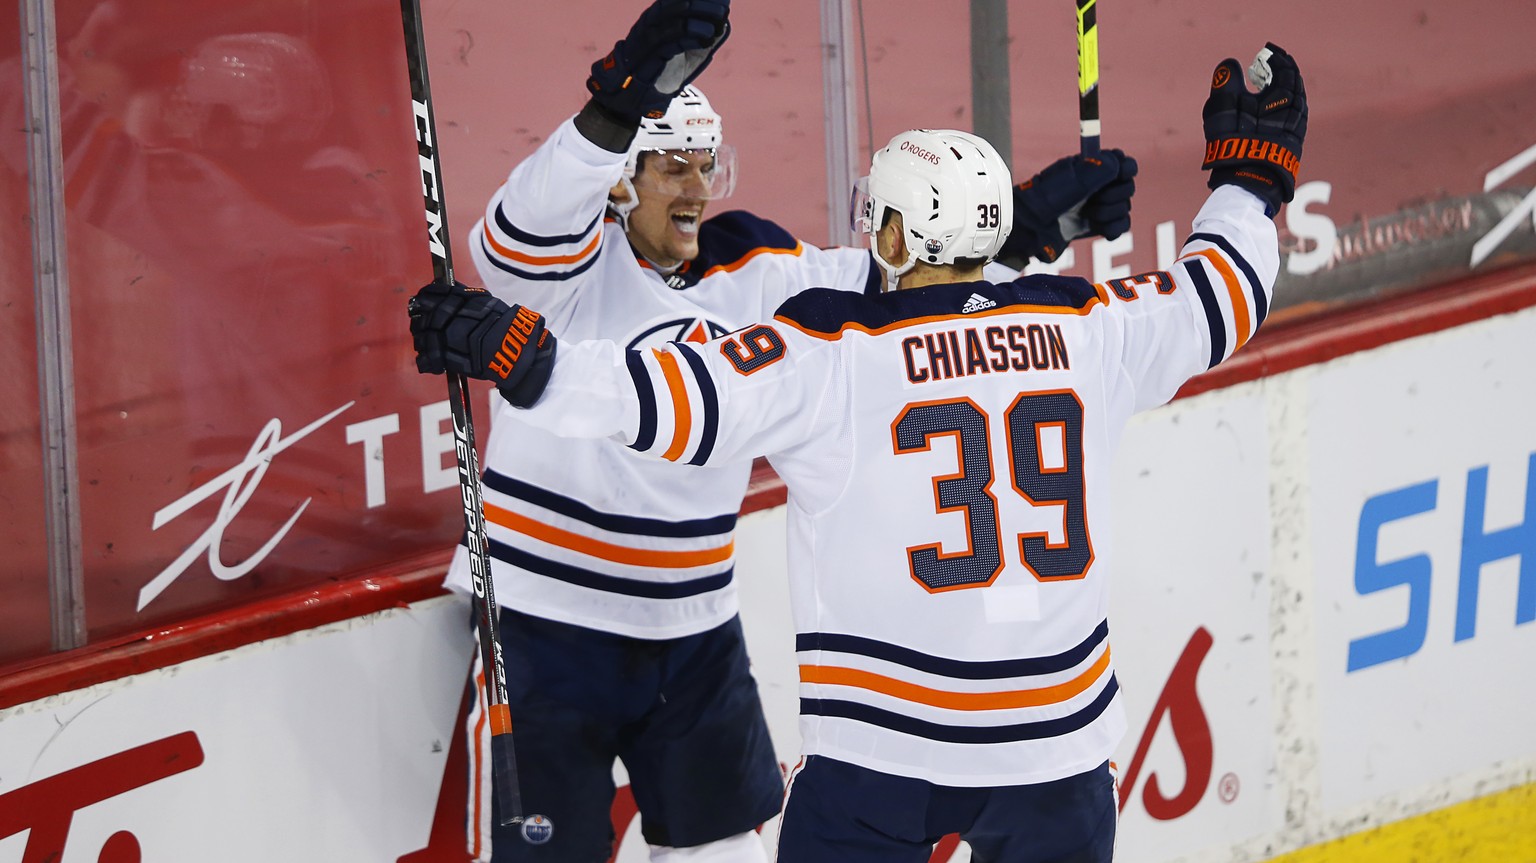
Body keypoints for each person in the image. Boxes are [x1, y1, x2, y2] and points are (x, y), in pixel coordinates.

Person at [412, 41, 1305, 861]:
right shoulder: (1088, 326)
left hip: (882, 750)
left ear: (887, 234)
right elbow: (1219, 295)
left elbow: (668, 397)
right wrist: (1249, 183)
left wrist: (524, 361)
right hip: (1056, 750)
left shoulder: (828, 354)